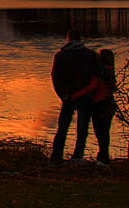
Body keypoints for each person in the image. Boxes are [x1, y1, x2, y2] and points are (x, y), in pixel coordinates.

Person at [49, 28, 101, 164]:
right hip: (86, 96)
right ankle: (78, 156)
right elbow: (97, 76)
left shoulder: (60, 56)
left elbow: (55, 77)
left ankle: (56, 156)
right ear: (80, 39)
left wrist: (62, 94)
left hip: (68, 96)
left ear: (68, 39)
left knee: (63, 128)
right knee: (82, 129)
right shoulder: (92, 55)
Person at [70, 48, 116, 165]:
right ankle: (104, 156)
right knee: (105, 132)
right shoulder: (111, 71)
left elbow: (91, 87)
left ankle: (103, 158)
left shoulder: (99, 72)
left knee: (100, 132)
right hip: (109, 104)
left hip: (100, 105)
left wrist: (75, 95)